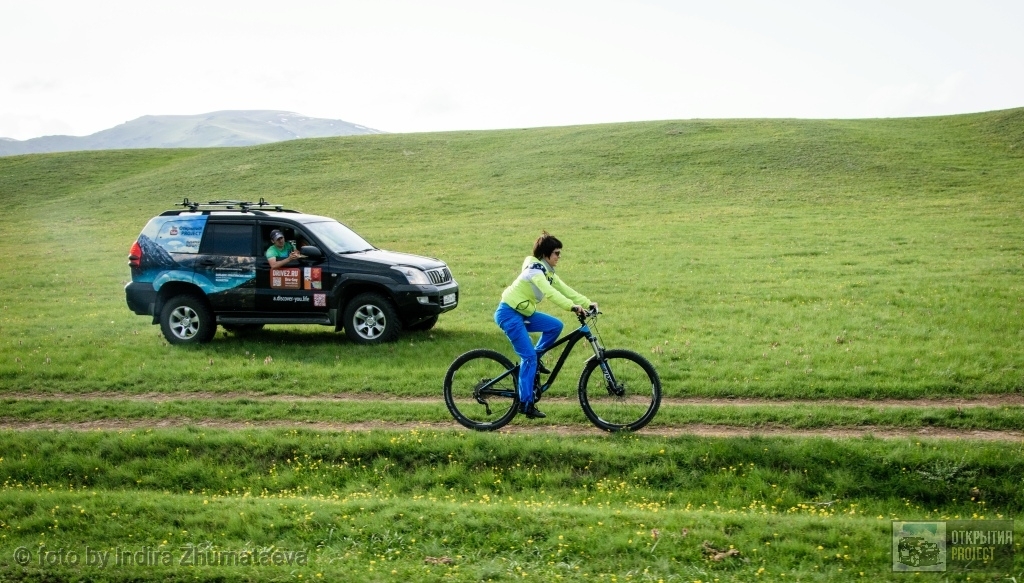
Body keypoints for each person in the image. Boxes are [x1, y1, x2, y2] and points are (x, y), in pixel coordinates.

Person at [495, 232, 598, 419]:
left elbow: (565, 289)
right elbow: (550, 293)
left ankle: (537, 357)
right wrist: (572, 307)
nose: (559, 257)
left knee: (555, 326)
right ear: (545, 254)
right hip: (509, 314)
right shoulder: (535, 271)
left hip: (523, 312)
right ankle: (526, 403)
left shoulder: (547, 271)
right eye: (556, 253)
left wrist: (587, 302)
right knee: (528, 358)